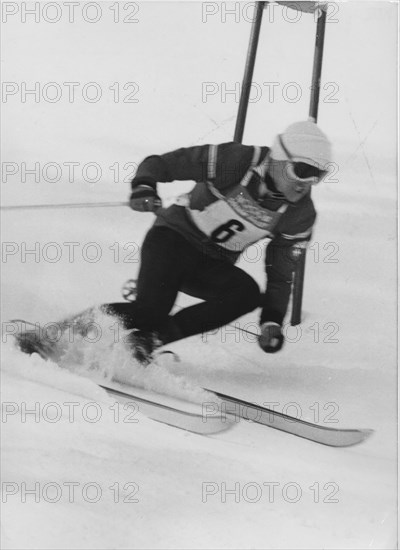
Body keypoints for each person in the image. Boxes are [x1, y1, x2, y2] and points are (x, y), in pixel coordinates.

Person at [102, 120, 332, 364]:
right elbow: (162, 163)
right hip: (171, 241)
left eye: (318, 176)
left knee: (246, 294)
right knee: (149, 313)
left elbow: (281, 273)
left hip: (209, 264)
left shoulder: (300, 215)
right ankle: (71, 331)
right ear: (279, 157)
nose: (305, 183)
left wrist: (271, 320)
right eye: (302, 171)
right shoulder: (238, 161)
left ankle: (145, 343)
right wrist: (144, 186)